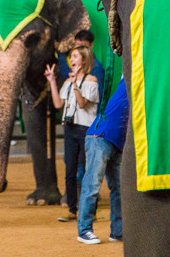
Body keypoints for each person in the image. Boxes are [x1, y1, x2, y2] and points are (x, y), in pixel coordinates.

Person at [45, 45, 99, 223]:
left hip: (85, 129)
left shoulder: (91, 81)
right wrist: (52, 81)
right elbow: (58, 104)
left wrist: (75, 84)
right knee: (70, 171)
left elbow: (82, 104)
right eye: (71, 56)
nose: (72, 59)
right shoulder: (67, 82)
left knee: (85, 171)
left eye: (75, 56)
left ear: (84, 59)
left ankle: (90, 210)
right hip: (69, 128)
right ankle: (72, 209)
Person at [76, 80, 128, 244]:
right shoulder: (130, 79)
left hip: (117, 143)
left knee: (119, 188)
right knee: (92, 185)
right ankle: (84, 231)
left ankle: (117, 231)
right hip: (100, 137)